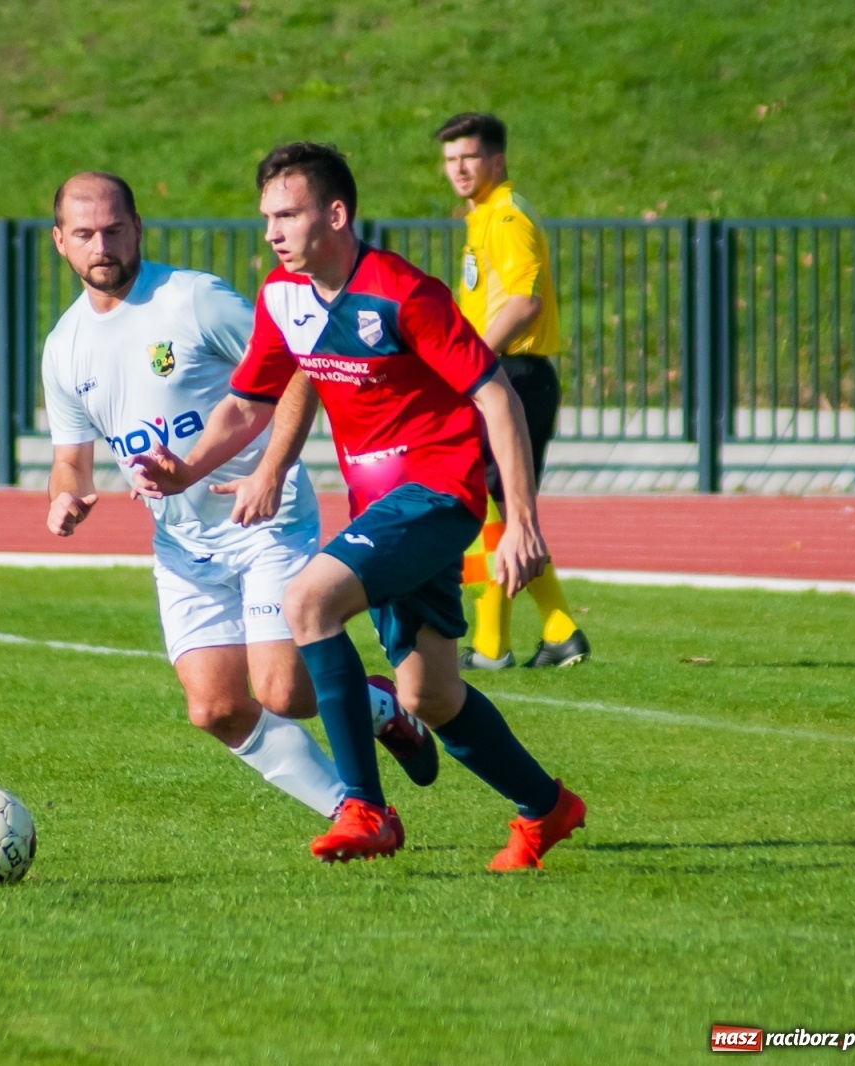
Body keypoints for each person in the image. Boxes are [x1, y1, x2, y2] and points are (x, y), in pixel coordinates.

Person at [130, 144, 585, 871]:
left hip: (439, 494)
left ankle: (365, 809)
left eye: (289, 214)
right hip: (381, 510)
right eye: (267, 217)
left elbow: (496, 394)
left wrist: (523, 522)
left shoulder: (405, 295)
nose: (273, 232)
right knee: (430, 695)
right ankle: (547, 808)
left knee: (307, 602)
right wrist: (183, 468)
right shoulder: (283, 297)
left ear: (336, 214)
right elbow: (247, 406)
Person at [42, 171, 437, 823]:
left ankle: (377, 706)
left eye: (114, 229)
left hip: (265, 523)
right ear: (61, 243)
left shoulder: (193, 301)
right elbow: (69, 461)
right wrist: (66, 498)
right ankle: (351, 811)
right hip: (183, 546)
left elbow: (300, 368)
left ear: (138, 228)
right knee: (216, 708)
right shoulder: (64, 349)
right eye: (84, 234)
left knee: (281, 691)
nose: (101, 245)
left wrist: (272, 469)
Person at [437, 112, 590, 670]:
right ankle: (555, 630)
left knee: (486, 507)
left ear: (496, 161)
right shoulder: (484, 216)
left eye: (468, 158)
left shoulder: (504, 216)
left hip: (512, 376)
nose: (457, 168)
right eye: (451, 159)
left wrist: (470, 361)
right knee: (498, 510)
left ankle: (493, 644)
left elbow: (525, 300)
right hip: (506, 375)